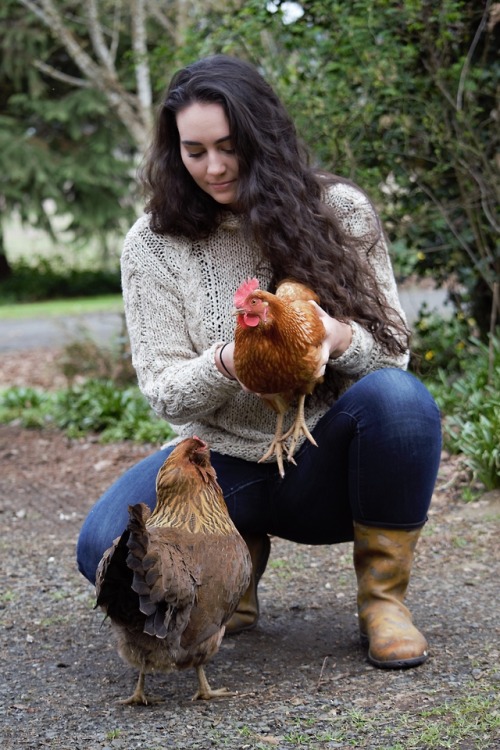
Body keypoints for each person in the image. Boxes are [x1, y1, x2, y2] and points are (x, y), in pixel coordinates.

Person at [77, 54, 442, 670]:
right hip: (220, 470)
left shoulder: (340, 211)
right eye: (194, 151)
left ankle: (384, 603)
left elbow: (395, 351)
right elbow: (164, 392)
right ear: (174, 152)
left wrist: (337, 338)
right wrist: (226, 362)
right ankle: (229, 578)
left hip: (324, 456)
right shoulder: (153, 243)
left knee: (402, 403)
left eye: (228, 146)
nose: (213, 166)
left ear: (261, 138)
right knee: (103, 548)